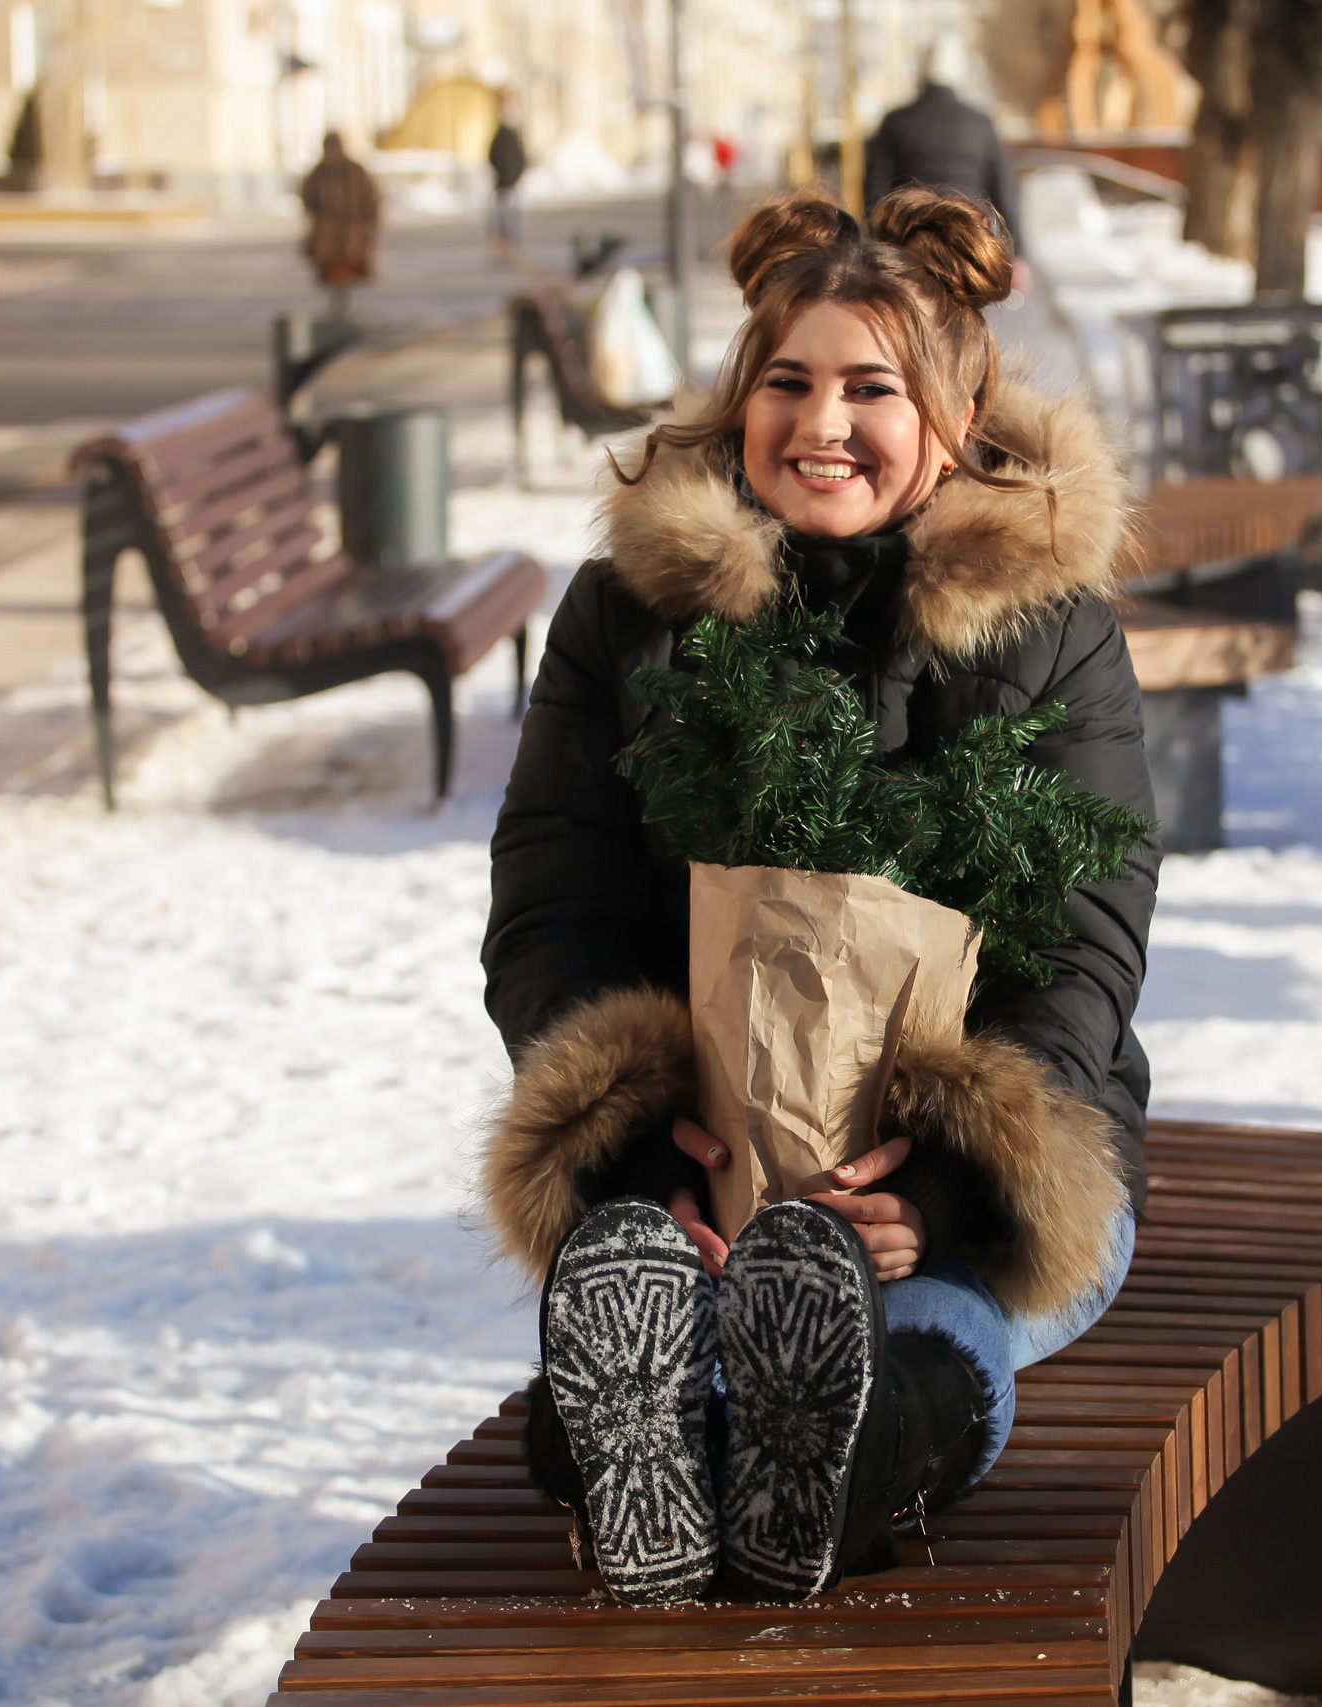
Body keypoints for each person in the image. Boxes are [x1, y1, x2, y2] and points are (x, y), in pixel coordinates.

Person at [479, 187, 1158, 1605]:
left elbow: (1083, 938)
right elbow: (557, 897)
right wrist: (652, 1159)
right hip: (694, 1155)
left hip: (951, 1179)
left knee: (921, 1315)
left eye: (873, 387)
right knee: (645, 1295)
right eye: (786, 382)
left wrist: (953, 1175)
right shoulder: (627, 614)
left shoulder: (1054, 631)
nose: (822, 423)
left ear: (956, 416)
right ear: (740, 398)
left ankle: (839, 1477)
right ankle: (629, 1434)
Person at [864, 38, 1023, 288]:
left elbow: (875, 194)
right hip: (968, 247)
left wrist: (875, 252)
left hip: (910, 249)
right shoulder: (981, 124)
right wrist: (1018, 255)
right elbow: (1005, 193)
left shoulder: (895, 122)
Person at [298, 131, 379, 319]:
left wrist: (369, 220)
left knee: (347, 267)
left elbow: (370, 196)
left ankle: (343, 299)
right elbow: (308, 196)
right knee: (332, 269)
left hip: (351, 229)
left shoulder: (354, 170)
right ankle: (337, 300)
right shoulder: (319, 172)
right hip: (328, 231)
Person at [487, 112, 527, 253]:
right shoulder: (510, 137)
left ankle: (505, 244)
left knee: (504, 216)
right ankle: (506, 244)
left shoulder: (502, 137)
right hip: (508, 183)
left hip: (504, 183)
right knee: (507, 216)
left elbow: (491, 156)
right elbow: (521, 159)